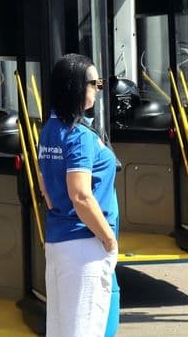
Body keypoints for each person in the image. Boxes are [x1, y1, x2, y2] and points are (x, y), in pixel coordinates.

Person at [38, 53, 119, 337]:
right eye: (94, 83)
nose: (98, 89)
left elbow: (45, 185)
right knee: (83, 328)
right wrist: (108, 239)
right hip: (85, 244)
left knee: (61, 329)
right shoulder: (80, 136)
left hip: (59, 240)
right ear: (75, 87)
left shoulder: (49, 130)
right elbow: (81, 195)